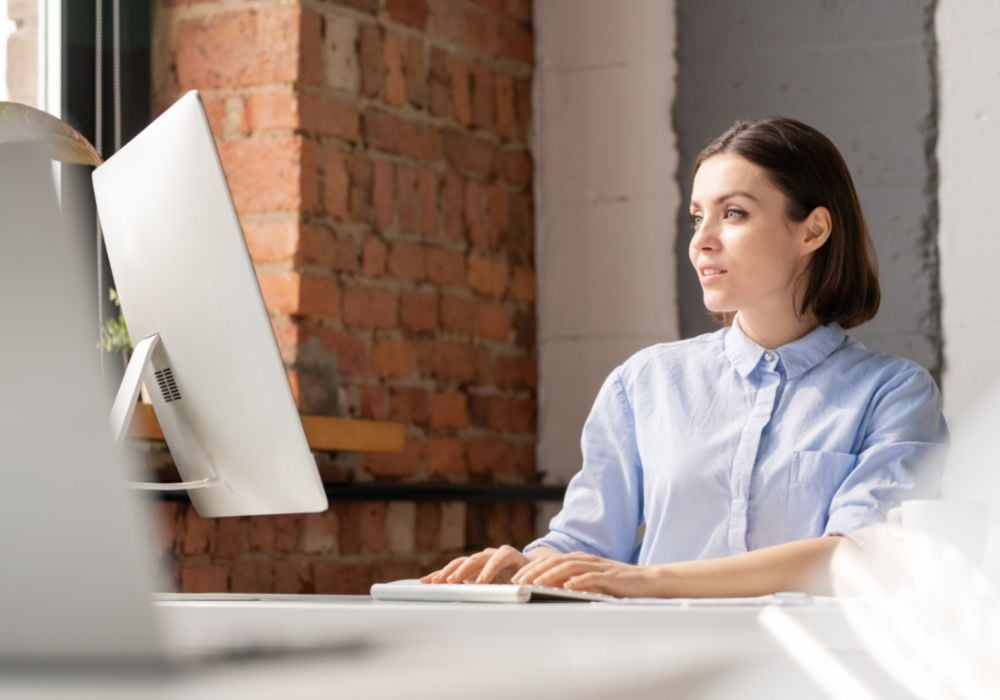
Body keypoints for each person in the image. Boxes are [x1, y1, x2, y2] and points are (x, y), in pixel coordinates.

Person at [422, 117, 948, 598]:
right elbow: (588, 542)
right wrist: (526, 565)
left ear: (812, 229)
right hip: (661, 663)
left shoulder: (894, 394)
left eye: (734, 213)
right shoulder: (645, 382)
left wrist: (652, 579)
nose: (702, 241)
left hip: (809, 670)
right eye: (697, 218)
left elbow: (854, 557)